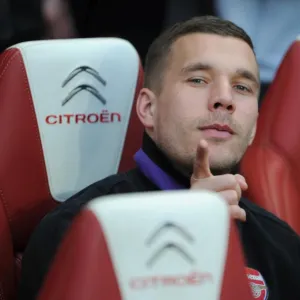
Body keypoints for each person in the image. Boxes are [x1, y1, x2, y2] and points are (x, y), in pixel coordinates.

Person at [18, 16, 300, 300]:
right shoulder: (75, 231)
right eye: (198, 79)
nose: (225, 98)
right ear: (148, 109)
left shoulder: (281, 244)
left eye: (242, 87)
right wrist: (187, 226)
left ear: (253, 127)